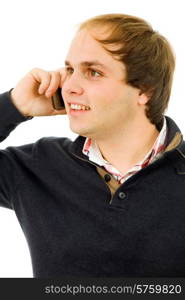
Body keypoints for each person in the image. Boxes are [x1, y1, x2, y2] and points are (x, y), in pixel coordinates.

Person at [0, 13, 185, 278]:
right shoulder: (39, 166)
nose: (69, 86)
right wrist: (14, 106)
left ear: (146, 90)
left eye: (93, 72)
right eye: (70, 70)